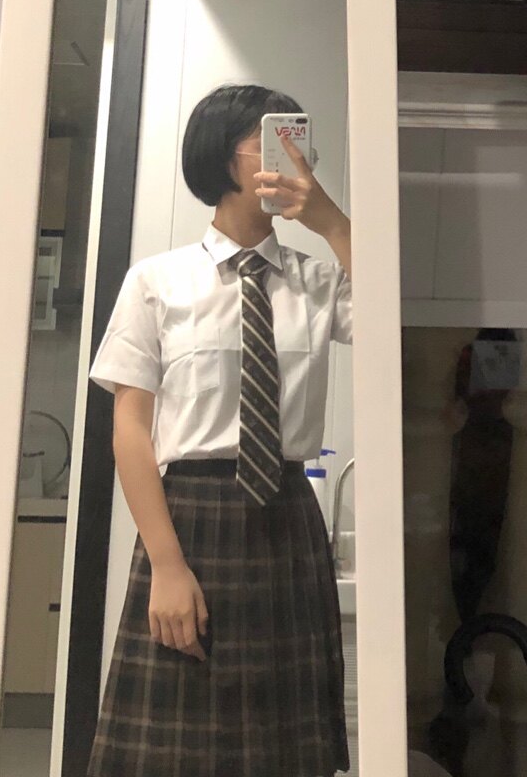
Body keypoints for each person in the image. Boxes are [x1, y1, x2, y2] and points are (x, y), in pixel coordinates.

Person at [85, 83, 353, 777]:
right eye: (272, 143)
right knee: (172, 754)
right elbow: (130, 428)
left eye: (299, 143)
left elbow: (393, 322)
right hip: (190, 519)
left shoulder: (319, 282)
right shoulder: (157, 282)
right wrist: (166, 565)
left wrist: (332, 221)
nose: (293, 159)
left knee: (284, 752)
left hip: (287, 516)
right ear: (225, 157)